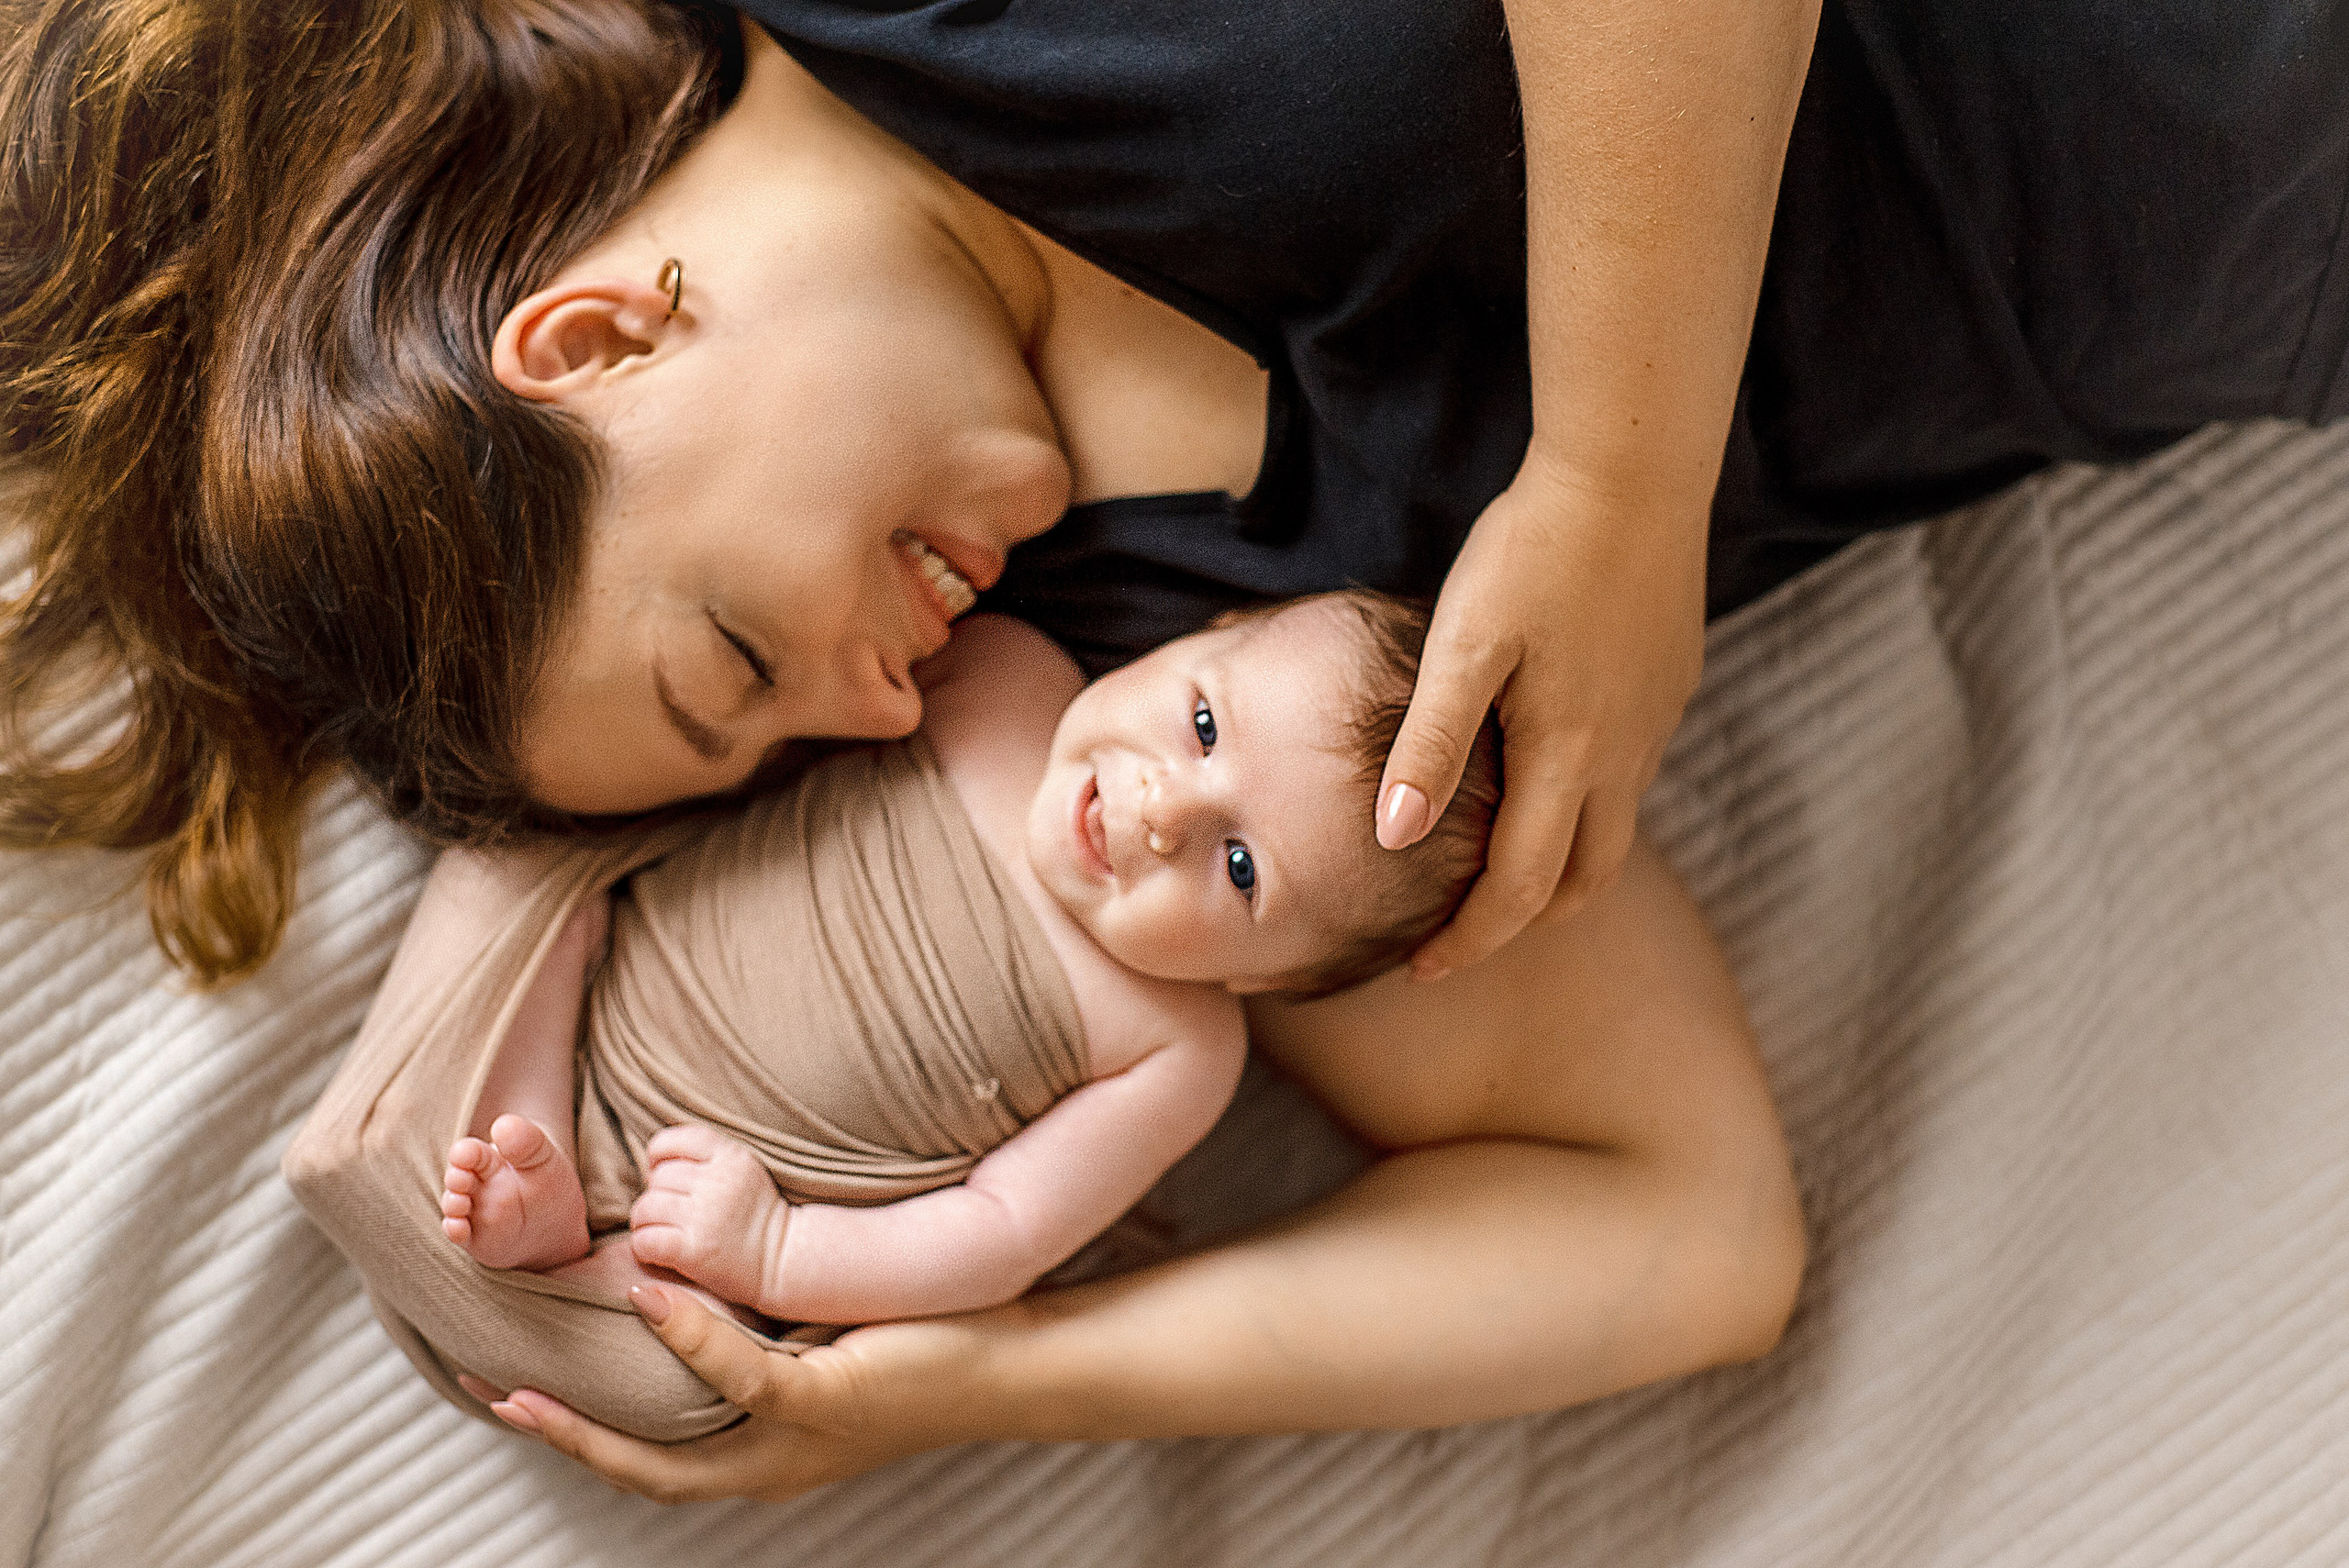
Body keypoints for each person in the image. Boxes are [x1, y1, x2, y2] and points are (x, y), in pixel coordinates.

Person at [5, 0, 2339, 1501]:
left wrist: (1615, 486)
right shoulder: (1167, 695)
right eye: (785, 742)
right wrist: (991, 1373)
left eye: (738, 653)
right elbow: (1680, 1228)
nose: (876, 709)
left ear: (594, 336)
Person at [439, 595, 1510, 1331]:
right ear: (1200, 631)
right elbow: (773, 748)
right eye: (1201, 722)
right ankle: (530, 1135)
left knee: (696, 1363)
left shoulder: (1179, 1052)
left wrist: (774, 1251)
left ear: (1271, 978)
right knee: (501, 875)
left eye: (1239, 866)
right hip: (627, 972)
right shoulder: (1001, 670)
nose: (1161, 809)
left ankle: (564, 1244)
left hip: (735, 1209)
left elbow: (999, 1231)